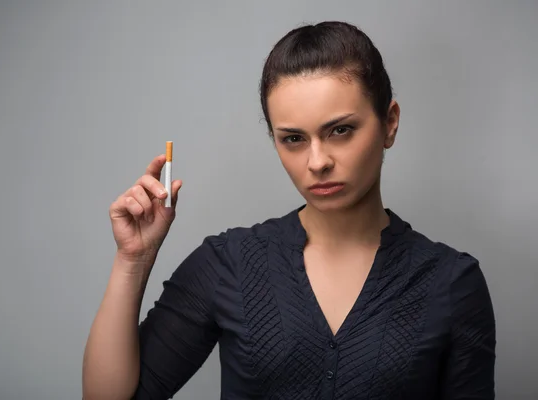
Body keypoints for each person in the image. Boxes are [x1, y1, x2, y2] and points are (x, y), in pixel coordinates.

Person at [82, 21, 496, 400]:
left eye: (340, 130)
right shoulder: (230, 263)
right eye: (294, 139)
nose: (317, 161)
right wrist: (132, 260)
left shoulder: (451, 282)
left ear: (389, 122)